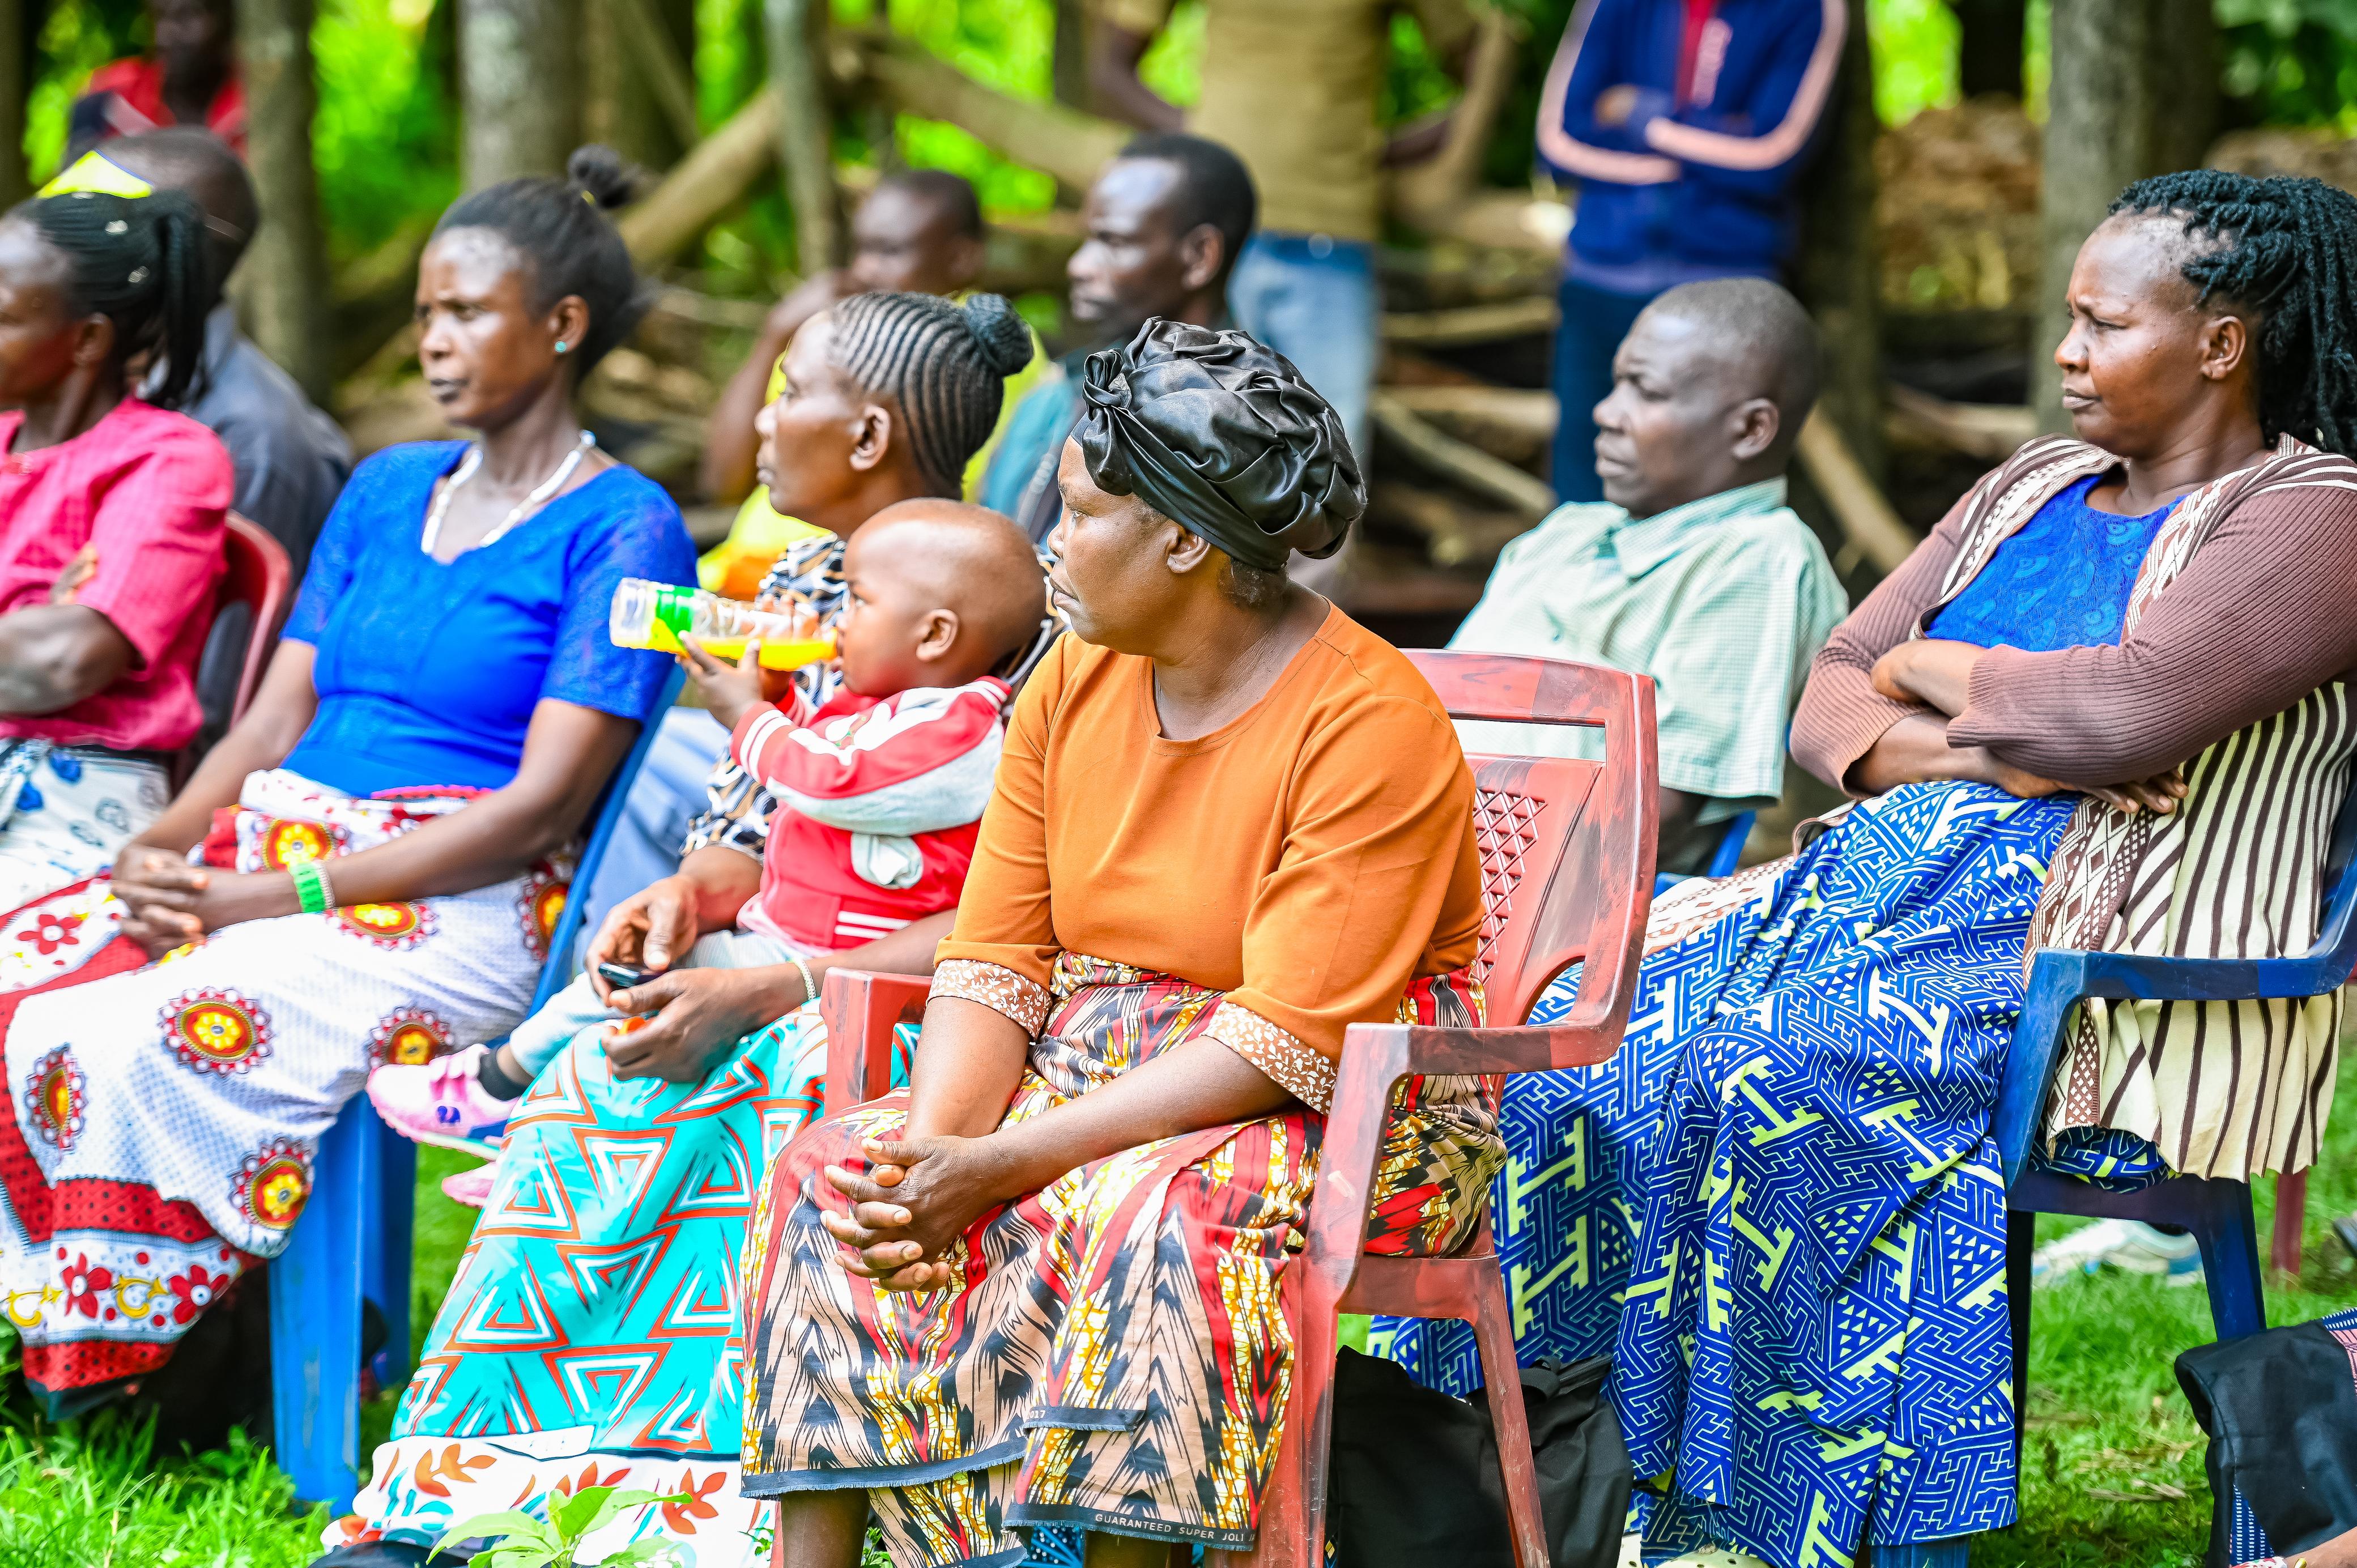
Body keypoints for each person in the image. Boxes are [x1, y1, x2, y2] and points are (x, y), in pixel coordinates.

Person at [1373, 170, 2357, 1568]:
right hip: (1861, 885)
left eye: (2100, 324)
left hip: (2084, 926)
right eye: (2066, 323)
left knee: (1781, 1073)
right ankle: (1532, 1487)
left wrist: (1931, 667)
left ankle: (1770, 1520)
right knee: (1563, 1048)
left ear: (2220, 342)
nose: (2067, 354)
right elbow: (1826, 700)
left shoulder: (2316, 513)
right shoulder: (2027, 485)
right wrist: (1992, 752)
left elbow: (2127, 716)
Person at [738, 320, 1494, 1567]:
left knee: (1156, 1209)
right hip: (1089, 1064)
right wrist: (939, 1151)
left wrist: (1006, 1161)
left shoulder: (1369, 722)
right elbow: (995, 955)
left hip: (1349, 1103)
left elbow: (1285, 1033)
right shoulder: (1074, 676)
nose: (1049, 543)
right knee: (844, 1172)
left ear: (1187, 540)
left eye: (1081, 514)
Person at [319, 302, 1046, 1568]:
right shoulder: (811, 586)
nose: (757, 420)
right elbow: (751, 823)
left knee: (742, 1092)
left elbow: (1021, 918)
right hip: (778, 954)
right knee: (603, 1074)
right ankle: (463, 1491)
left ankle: (703, 1514)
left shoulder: (1021, 632)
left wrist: (770, 985)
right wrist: (689, 898)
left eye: (786, 391)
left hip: (907, 1009)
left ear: (866, 430)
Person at [0, 147, 697, 1416]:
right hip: (267, 862)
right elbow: (269, 720)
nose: (434, 340)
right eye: (427, 311)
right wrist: (163, 847)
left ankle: (154, 1366)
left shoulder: (628, 527)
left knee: (109, 1028)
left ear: (563, 325)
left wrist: (259, 899)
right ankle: (83, 1325)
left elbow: (535, 812)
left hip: (458, 907)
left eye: (466, 311)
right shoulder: (383, 490)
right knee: (24, 974)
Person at [1448, 276, 1844, 874]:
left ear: (1749, 430)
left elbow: (1652, 813)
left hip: (1511, 896)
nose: (1605, 412)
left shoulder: (1756, 558)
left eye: (1646, 391)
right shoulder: (1566, 532)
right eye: (1615, 385)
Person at [1090, 0, 1473, 464]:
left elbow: (1479, 64)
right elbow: (1111, 67)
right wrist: (1204, 147)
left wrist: (1371, 152)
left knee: (1329, 454)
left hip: (1330, 240)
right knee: (1185, 439)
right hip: (1218, 235)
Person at [0, 184, 229, 911]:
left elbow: (65, 661)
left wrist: (55, 632)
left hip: (74, 803)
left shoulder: (169, 460)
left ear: (89, 340)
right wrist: (30, 620)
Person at [1537, 0, 1845, 502]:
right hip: (1602, 278)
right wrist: (1710, 145)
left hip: (1728, 291)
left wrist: (1643, 117)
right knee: (1581, 491)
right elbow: (1559, 139)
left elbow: (1771, 158)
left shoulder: (1809, 8)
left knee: (1715, 501)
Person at [698, 169, 1039, 597]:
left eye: (889, 251)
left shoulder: (972, 361)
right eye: (860, 248)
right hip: (761, 581)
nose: (864, 269)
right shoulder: (836, 343)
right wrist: (775, 333)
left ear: (961, 260)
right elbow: (721, 484)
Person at [93, 130, 354, 582]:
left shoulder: (251, 438)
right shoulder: (97, 383)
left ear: (180, 255)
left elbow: (226, 647)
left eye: (100, 226)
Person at [977, 133, 1255, 542]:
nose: (1079, 266)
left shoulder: (1256, 430)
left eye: (1114, 241)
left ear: (1199, 256)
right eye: (1087, 238)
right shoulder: (1061, 391)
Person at [66, 0, 244, 161]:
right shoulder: (108, 100)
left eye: (187, 16)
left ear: (227, 21)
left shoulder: (252, 105)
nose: (163, 37)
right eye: (158, 16)